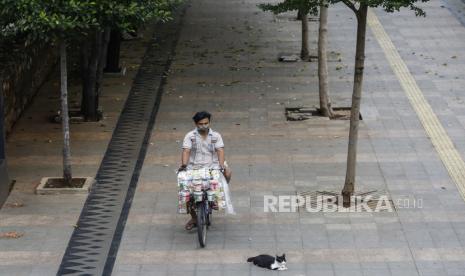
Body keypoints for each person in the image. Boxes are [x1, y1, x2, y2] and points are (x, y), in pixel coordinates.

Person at [178, 111, 231, 230]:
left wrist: (222, 166)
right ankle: (194, 217)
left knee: (228, 172)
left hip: (214, 165)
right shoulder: (189, 136)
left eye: (206, 123)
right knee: (186, 193)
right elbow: (186, 151)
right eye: (201, 124)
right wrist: (184, 165)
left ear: (209, 122)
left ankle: (220, 191)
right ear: (196, 124)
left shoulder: (216, 136)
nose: (204, 125)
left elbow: (220, 151)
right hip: (193, 167)